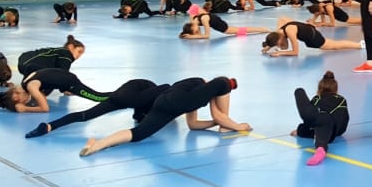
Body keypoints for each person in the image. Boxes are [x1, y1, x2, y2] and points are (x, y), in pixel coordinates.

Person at [79, 76, 250, 156]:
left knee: (138, 133)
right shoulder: (215, 85)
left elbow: (193, 125)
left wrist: (215, 121)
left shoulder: (195, 91)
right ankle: (227, 126)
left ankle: (97, 145)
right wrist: (239, 126)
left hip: (163, 102)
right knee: (224, 83)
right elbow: (219, 115)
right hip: (176, 102)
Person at [25, 78, 170, 139]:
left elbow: (138, 116)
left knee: (84, 115)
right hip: (132, 96)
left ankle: (49, 126)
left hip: (119, 95)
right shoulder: (145, 99)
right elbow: (166, 87)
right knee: (141, 113)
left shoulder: (142, 102)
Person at [0, 67, 111, 113]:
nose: (25, 101)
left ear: (17, 97)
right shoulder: (24, 82)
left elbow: (45, 108)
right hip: (61, 76)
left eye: (23, 101)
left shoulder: (31, 87)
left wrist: (26, 109)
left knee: (98, 97)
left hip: (70, 83)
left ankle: (118, 95)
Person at [292, 71, 349, 166]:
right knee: (321, 134)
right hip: (330, 129)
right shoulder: (341, 100)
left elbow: (310, 122)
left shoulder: (316, 98)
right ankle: (320, 149)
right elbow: (344, 120)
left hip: (320, 120)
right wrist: (335, 132)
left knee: (299, 91)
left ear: (319, 89)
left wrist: (301, 130)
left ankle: (321, 147)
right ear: (336, 89)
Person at [262, 18, 359, 57]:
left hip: (314, 38)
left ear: (279, 38)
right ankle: (359, 44)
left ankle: (359, 45)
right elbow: (281, 18)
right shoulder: (279, 30)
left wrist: (279, 53)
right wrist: (269, 46)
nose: (279, 46)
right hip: (309, 30)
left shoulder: (290, 32)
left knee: (335, 46)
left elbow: (295, 52)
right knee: (333, 43)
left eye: (278, 44)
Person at [17, 36, 85, 76]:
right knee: (53, 77)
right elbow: (64, 74)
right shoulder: (66, 55)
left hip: (24, 60)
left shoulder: (58, 51)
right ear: (71, 47)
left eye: (81, 54)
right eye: (79, 52)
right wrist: (66, 89)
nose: (79, 56)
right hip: (30, 66)